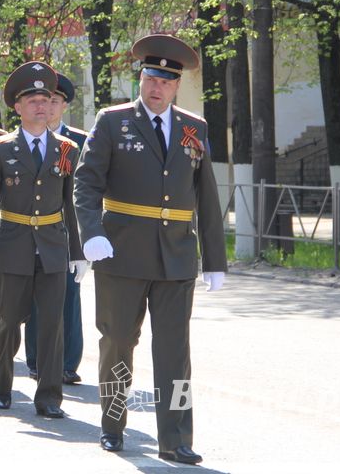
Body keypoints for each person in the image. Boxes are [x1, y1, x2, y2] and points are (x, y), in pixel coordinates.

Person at [74, 34, 227, 463]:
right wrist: (91, 233)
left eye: (166, 80)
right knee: (119, 342)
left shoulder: (194, 129)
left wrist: (215, 260)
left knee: (175, 352)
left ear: (176, 86)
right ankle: (113, 421)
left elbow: (206, 196)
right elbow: (85, 183)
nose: (156, 86)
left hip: (177, 255)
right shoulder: (112, 121)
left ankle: (176, 438)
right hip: (120, 254)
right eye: (150, 76)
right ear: (140, 77)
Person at [0, 62, 84, 418]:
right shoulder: (0, 148)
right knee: (8, 321)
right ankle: (3, 383)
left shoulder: (66, 149)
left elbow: (72, 204)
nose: (41, 105)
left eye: (46, 99)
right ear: (17, 108)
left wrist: (79, 253)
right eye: (32, 100)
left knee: (52, 325)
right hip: (13, 243)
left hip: (52, 246)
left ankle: (49, 396)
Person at [25, 73, 89, 384]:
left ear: (63, 106)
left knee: (69, 294)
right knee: (36, 294)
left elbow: (90, 190)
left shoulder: (79, 141)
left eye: (54, 102)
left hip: (67, 231)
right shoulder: (23, 137)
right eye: (43, 101)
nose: (48, 108)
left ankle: (68, 362)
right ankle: (37, 359)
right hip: (32, 228)